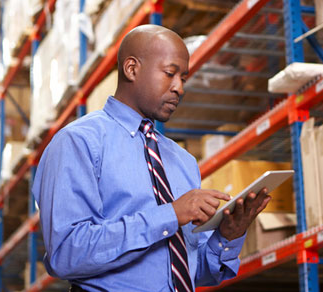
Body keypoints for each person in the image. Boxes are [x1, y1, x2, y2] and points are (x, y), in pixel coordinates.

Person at [32, 24, 271, 292]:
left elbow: (189, 271)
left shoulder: (183, 161)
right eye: (170, 74)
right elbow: (66, 254)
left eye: (183, 77)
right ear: (132, 69)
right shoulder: (79, 142)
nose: (179, 87)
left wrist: (229, 235)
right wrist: (170, 214)